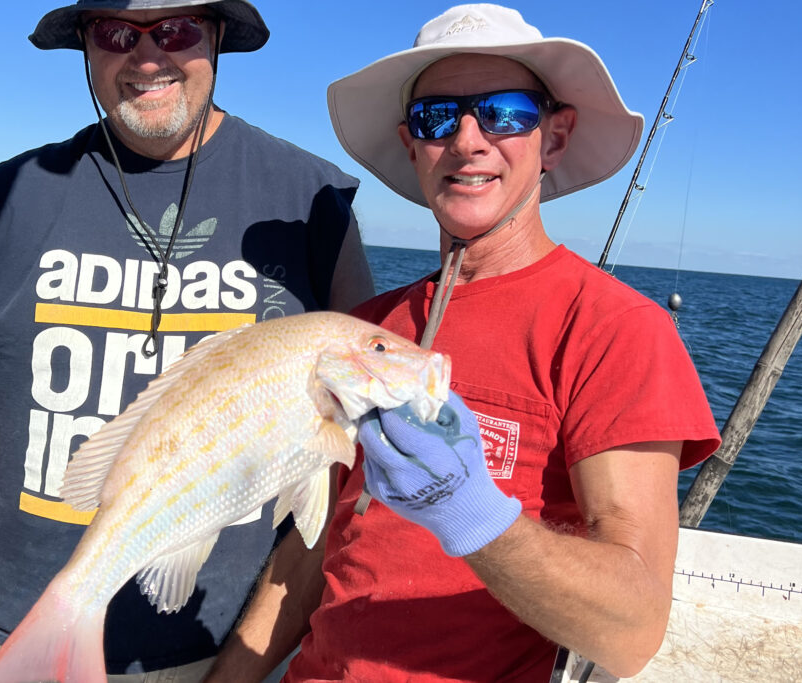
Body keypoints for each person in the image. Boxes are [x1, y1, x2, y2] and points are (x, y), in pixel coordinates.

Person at [207, 5, 721, 682]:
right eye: (438, 117)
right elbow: (315, 546)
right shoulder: (370, 329)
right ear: (411, 142)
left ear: (555, 138)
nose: (468, 140)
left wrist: (474, 514)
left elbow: (633, 630)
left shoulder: (618, 330)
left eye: (505, 113)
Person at [0, 1, 374, 681]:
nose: (148, 58)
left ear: (216, 37)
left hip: (233, 647)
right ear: (88, 47)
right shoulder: (8, 199)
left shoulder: (314, 200)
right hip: (27, 630)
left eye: (176, 30)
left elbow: (351, 458)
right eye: (118, 32)